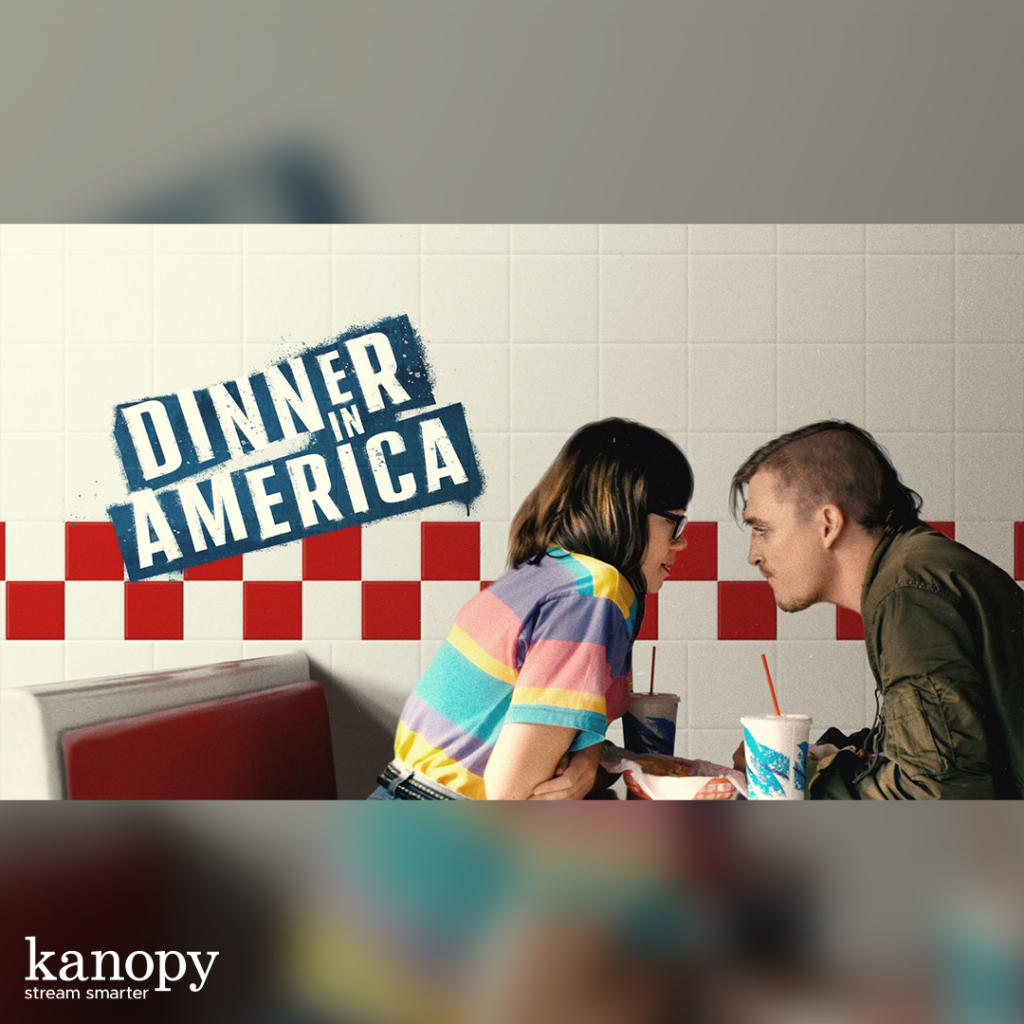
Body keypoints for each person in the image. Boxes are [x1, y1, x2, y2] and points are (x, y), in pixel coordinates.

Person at [369, 418, 694, 800]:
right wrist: (588, 771)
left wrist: (588, 764)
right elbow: (513, 795)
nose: (682, 543)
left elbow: (561, 740)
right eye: (675, 523)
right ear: (624, 511)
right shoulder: (591, 595)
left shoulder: (551, 574)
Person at [729, 420, 1023, 800]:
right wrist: (820, 760)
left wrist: (806, 778)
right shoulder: (914, 569)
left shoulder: (908, 593)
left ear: (828, 524)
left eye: (762, 529)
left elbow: (936, 794)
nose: (753, 555)